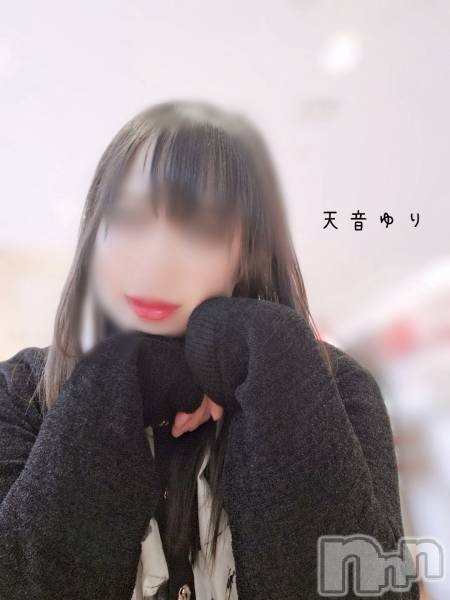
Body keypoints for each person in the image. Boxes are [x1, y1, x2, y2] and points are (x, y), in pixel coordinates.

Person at [0, 100, 420, 600]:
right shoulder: (19, 392)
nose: (156, 263)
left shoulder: (337, 387)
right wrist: (113, 378)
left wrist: (269, 350)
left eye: (200, 229)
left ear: (248, 253)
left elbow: (368, 587)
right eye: (129, 217)